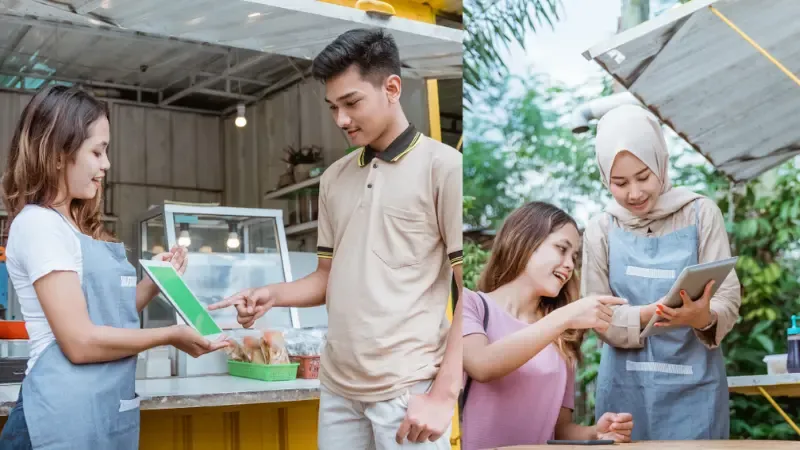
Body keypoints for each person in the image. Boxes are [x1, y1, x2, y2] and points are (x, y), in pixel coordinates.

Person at [209, 28, 463, 450]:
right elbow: (327, 278)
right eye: (333, 107)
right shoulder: (333, 179)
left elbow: (470, 297)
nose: (341, 119)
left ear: (392, 88)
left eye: (351, 103)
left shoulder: (445, 168)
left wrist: (443, 394)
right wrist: (271, 293)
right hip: (338, 390)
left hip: (407, 389)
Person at [0, 86, 228, 450]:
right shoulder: (38, 225)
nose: (106, 164)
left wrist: (154, 284)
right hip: (55, 421)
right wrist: (169, 335)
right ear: (58, 154)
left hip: (93, 411)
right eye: (97, 151)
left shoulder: (70, 226)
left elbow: (104, 315)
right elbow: (79, 342)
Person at [582, 104, 742, 440]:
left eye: (643, 177)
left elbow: (727, 296)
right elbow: (594, 314)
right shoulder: (600, 230)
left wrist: (701, 317)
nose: (635, 193)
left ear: (661, 163)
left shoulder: (700, 214)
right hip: (625, 394)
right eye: (620, 182)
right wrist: (648, 314)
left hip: (696, 392)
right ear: (603, 177)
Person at [461, 201, 634, 449]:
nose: (570, 265)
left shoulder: (563, 335)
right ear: (524, 241)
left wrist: (595, 434)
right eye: (561, 249)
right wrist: (566, 316)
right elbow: (482, 365)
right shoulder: (471, 304)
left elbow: (560, 429)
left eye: (574, 256)